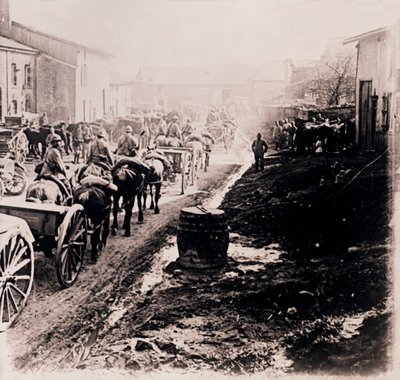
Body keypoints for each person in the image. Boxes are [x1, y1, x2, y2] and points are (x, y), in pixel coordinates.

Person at [39, 134, 71, 199]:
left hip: (43, 173)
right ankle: (69, 198)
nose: (59, 143)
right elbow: (61, 166)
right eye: (57, 141)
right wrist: (65, 174)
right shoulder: (55, 151)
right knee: (67, 186)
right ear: (55, 143)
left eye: (59, 141)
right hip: (51, 174)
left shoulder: (48, 150)